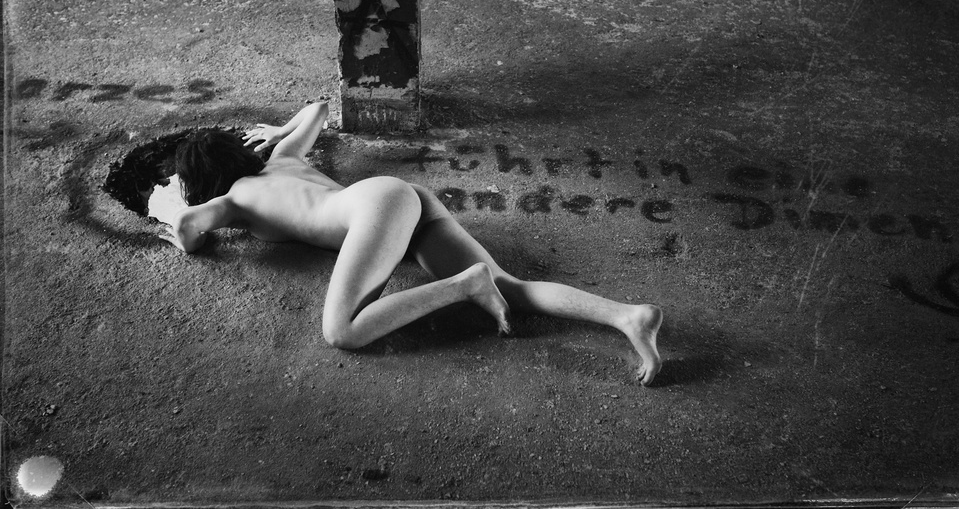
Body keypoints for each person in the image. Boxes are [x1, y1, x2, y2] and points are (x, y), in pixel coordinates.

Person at [159, 101, 664, 385]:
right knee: (512, 288)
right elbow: (317, 109)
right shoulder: (283, 158)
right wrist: (278, 130)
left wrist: (176, 223)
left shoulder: (231, 200)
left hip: (373, 211)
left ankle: (466, 285)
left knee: (343, 331)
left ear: (201, 182)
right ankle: (627, 316)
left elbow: (188, 229)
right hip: (397, 196)